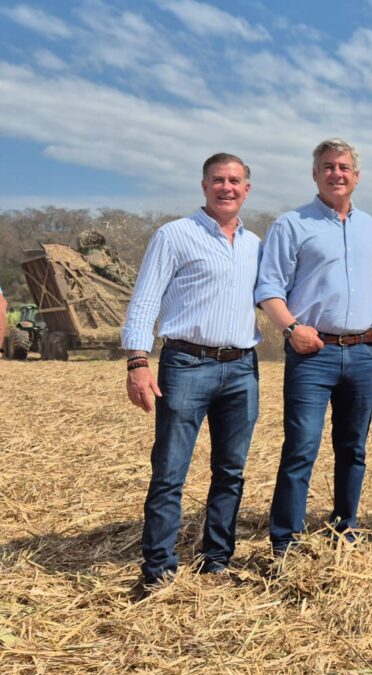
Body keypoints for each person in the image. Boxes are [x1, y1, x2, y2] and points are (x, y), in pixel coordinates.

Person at [121, 153, 260, 589]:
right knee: (170, 470)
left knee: (231, 471)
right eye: (218, 180)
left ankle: (215, 560)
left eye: (234, 181)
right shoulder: (174, 235)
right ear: (204, 186)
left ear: (246, 189)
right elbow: (145, 300)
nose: (226, 187)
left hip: (242, 368)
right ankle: (158, 569)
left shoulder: (256, 245)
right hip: (186, 364)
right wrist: (138, 362)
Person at [256, 138, 372, 557]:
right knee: (302, 446)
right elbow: (268, 288)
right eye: (328, 167)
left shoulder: (371, 229)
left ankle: (345, 526)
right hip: (312, 353)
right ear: (315, 174)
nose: (336, 174)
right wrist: (292, 328)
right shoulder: (291, 224)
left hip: (362, 353)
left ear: (357, 177)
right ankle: (285, 539)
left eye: (344, 167)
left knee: (354, 447)